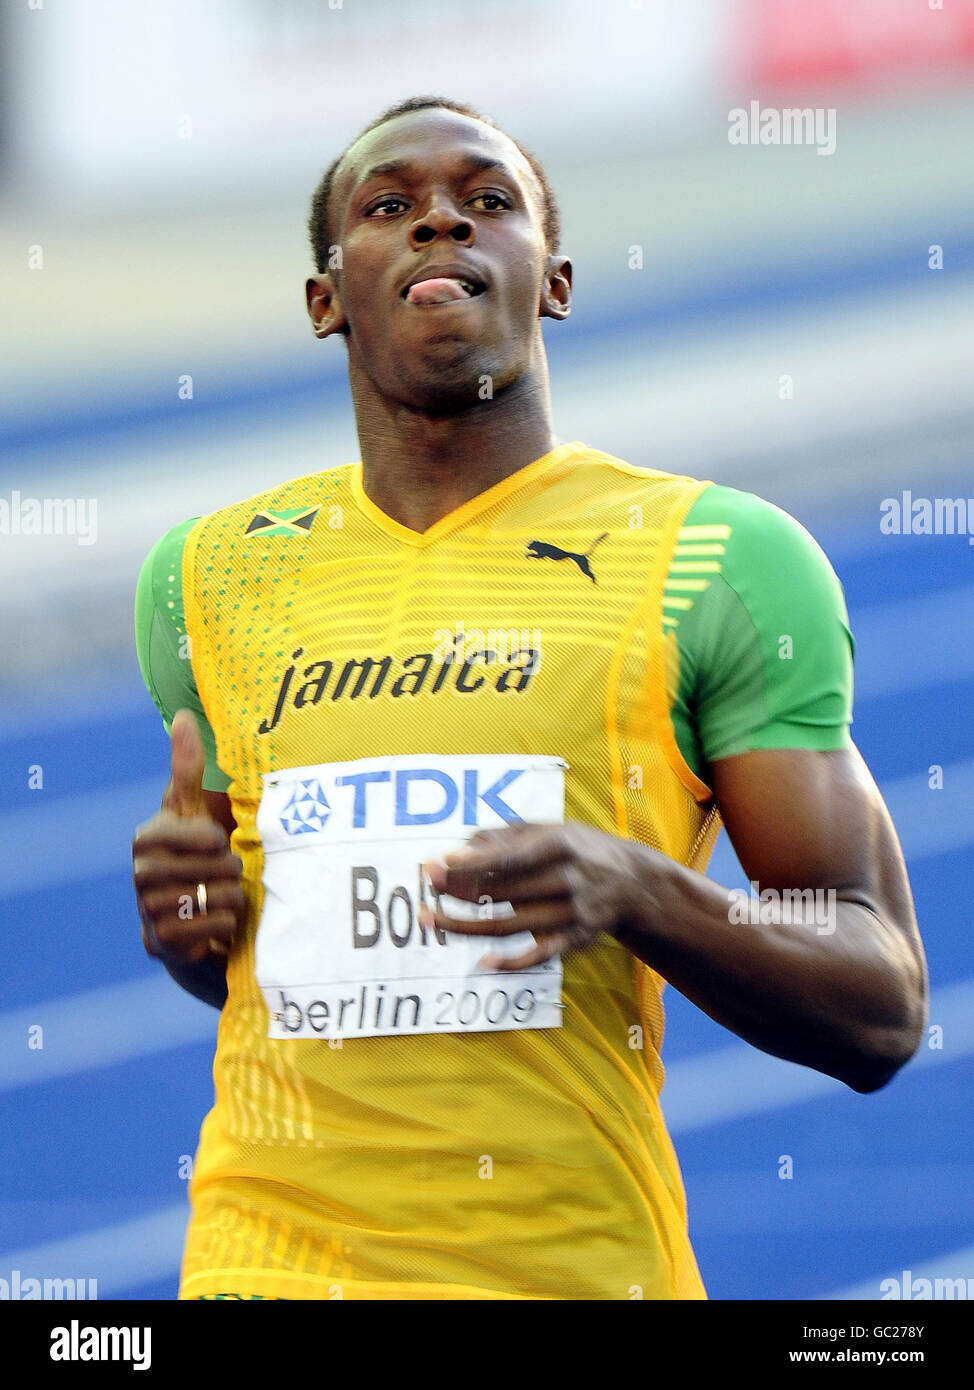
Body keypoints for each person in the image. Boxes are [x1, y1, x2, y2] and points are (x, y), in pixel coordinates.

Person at [132, 96, 928, 1301]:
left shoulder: (715, 557)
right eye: (387, 207)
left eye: (486, 201)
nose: (439, 221)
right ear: (323, 299)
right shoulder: (206, 576)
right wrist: (199, 926)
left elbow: (878, 1002)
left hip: (567, 1268)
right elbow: (267, 965)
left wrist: (642, 888)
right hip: (264, 1262)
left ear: (551, 281)